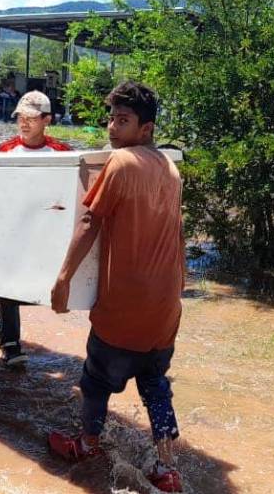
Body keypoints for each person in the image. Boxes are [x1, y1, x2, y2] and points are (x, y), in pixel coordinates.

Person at [47, 81, 185, 493]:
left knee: (94, 381)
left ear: (146, 128)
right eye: (111, 118)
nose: (112, 127)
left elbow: (90, 221)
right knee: (155, 385)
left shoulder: (122, 162)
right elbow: (178, 234)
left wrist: (63, 279)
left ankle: (86, 444)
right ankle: (166, 466)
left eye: (122, 120)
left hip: (125, 305)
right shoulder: (171, 168)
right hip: (165, 307)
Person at [0, 91, 72, 367]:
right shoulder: (4, 150)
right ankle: (10, 343)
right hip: (9, 228)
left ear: (47, 120)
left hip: (44, 227)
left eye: (31, 118)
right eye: (20, 117)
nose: (24, 122)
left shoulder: (63, 153)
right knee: (9, 276)